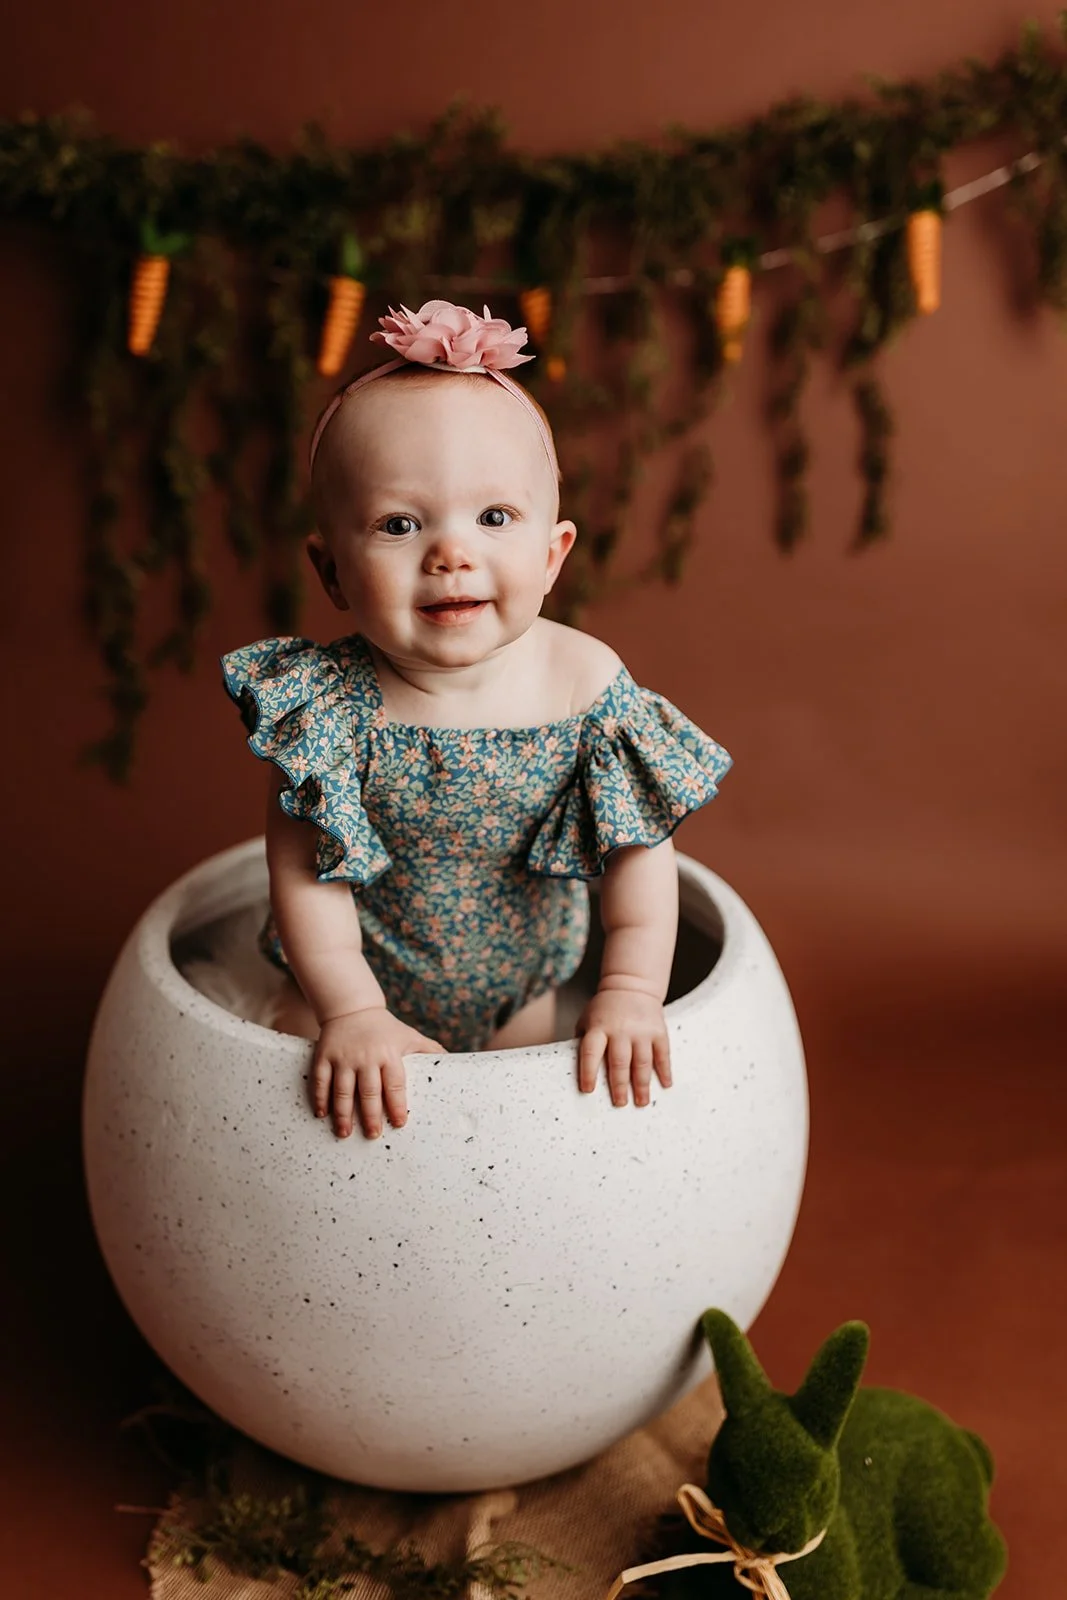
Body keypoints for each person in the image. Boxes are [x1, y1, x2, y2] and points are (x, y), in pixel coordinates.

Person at [222, 300, 731, 1141]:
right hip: (348, 977)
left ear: (551, 553)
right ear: (333, 571)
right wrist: (348, 1010)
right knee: (309, 1117)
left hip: (521, 991)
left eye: (493, 518)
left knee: (509, 1129)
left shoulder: (585, 688)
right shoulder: (328, 707)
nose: (450, 553)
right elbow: (306, 877)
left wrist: (631, 991)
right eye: (398, 524)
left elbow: (640, 856)